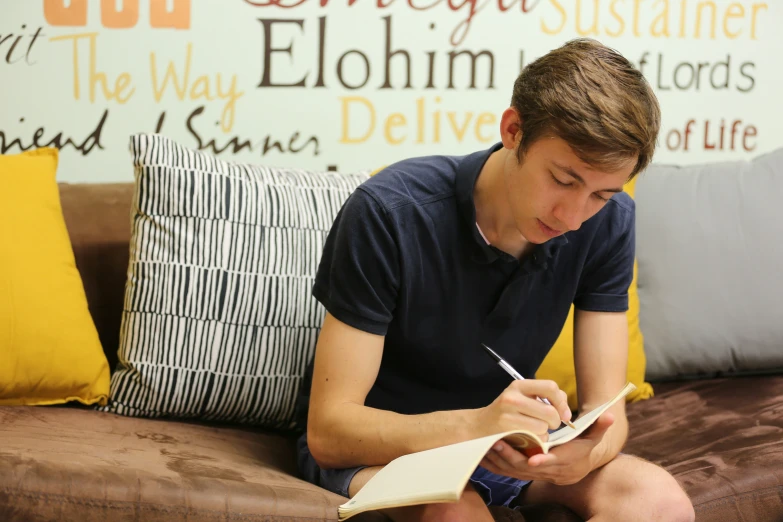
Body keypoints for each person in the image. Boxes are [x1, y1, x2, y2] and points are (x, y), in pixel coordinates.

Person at [296, 38, 696, 521]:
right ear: (513, 130)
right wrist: (479, 425)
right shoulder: (389, 212)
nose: (573, 217)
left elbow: (607, 416)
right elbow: (330, 431)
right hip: (381, 452)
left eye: (601, 194)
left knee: (660, 502)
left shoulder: (608, 223)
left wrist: (583, 456)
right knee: (455, 511)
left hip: (504, 449)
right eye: (564, 180)